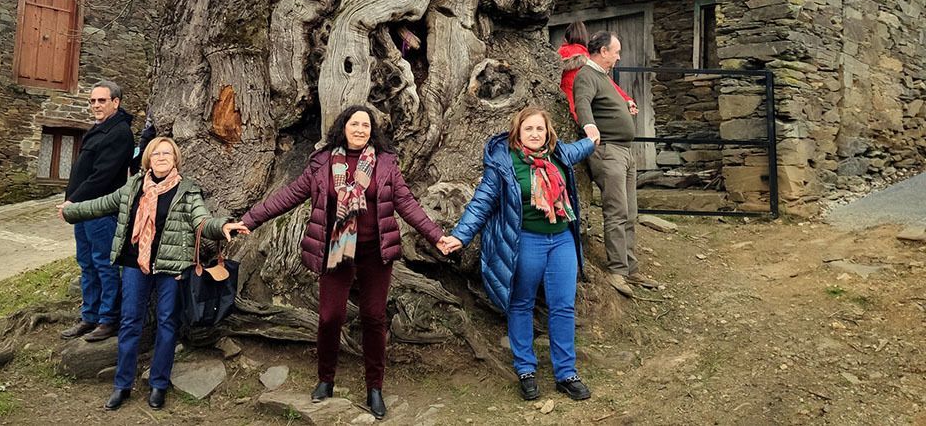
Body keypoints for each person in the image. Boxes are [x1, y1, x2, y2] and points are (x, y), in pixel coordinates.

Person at [236, 105, 450, 421]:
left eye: (366, 125)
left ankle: (374, 388)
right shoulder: (322, 163)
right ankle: (325, 379)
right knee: (329, 317)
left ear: (372, 131)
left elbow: (406, 203)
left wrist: (436, 236)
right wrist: (250, 220)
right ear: (343, 127)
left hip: (375, 252)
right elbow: (289, 195)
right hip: (335, 250)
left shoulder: (385, 163)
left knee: (374, 318)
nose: (361, 129)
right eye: (355, 124)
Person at [58, 137, 247, 411]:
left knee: (167, 322)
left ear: (175, 159)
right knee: (130, 322)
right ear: (148, 159)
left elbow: (201, 220)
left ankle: (158, 383)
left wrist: (223, 226)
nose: (161, 157)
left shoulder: (187, 189)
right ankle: (122, 385)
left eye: (167, 153)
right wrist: (71, 211)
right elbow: (102, 204)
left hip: (171, 267)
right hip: (136, 263)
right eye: (156, 153)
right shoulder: (134, 186)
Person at [438, 107, 599, 402]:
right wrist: (460, 236)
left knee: (563, 305)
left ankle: (566, 373)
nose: (535, 134)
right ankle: (526, 369)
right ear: (517, 133)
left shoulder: (558, 154)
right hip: (525, 241)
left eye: (540, 129)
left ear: (548, 133)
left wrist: (591, 139)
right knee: (521, 303)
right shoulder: (504, 163)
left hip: (561, 239)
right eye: (529, 130)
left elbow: (579, 149)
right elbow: (481, 203)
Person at [573, 31, 658, 298]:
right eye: (616, 51)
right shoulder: (586, 75)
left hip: (625, 152)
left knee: (630, 212)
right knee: (617, 211)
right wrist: (589, 126)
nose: (619, 56)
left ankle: (630, 268)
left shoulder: (603, 77)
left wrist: (626, 103)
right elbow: (582, 103)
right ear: (602, 51)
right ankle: (617, 271)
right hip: (608, 152)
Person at [60, 80, 134, 342]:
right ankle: (89, 315)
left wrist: (73, 201)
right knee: (87, 264)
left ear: (116, 102)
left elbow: (102, 176)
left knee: (104, 264)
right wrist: (72, 201)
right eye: (92, 101)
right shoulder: (99, 129)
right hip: (83, 210)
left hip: (101, 211)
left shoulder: (120, 132)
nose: (95, 105)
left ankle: (107, 319)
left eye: (101, 100)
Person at [558, 21, 636, 121]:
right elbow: (608, 84)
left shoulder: (557, 54)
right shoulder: (589, 59)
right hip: (580, 111)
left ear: (566, 37)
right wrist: (627, 99)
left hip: (563, 106)